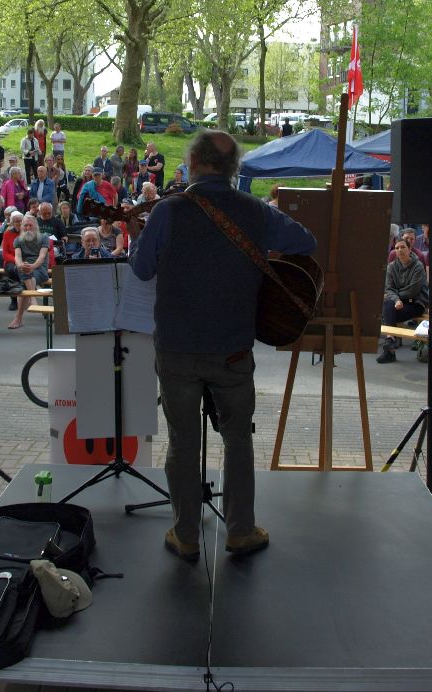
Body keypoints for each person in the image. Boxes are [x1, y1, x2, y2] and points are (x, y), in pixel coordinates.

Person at [127, 130, 316, 562]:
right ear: (234, 169)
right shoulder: (255, 210)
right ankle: (241, 531)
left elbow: (141, 270)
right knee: (237, 439)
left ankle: (186, 535)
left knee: (182, 441)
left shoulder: (168, 210)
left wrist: (140, 235)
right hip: (232, 348)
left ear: (193, 162)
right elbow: (306, 242)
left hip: (176, 349)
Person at [376, 239, 429, 364]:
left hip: (416, 303)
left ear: (409, 249)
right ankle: (390, 341)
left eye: (403, 247)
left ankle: (389, 347)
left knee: (388, 310)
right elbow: (388, 288)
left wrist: (395, 297)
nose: (400, 250)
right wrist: (396, 299)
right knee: (388, 306)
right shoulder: (391, 266)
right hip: (397, 303)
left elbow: (413, 290)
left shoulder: (418, 266)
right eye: (397, 248)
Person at [7, 215, 50, 329]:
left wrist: (32, 266)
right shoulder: (18, 240)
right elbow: (17, 257)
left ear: (36, 226)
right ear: (22, 227)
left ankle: (18, 319)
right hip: (26, 270)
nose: (28, 228)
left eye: (30, 225)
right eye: (25, 225)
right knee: (23, 268)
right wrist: (20, 265)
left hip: (40, 269)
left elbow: (42, 257)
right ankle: (32, 296)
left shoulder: (44, 238)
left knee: (23, 285)